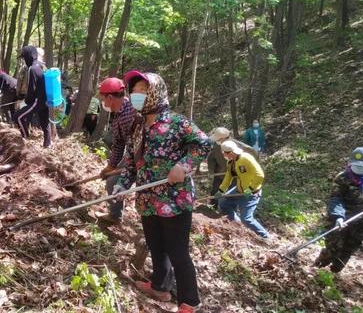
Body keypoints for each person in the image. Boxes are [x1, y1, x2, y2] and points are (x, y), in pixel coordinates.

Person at [116, 71, 210, 313]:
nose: (137, 95)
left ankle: (189, 302)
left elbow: (203, 143)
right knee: (156, 246)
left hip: (174, 200)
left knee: (178, 252)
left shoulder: (177, 123)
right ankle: (160, 286)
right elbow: (131, 160)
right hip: (147, 199)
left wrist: (184, 165)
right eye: (134, 91)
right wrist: (122, 185)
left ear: (156, 92)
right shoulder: (138, 127)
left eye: (143, 90)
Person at [315, 147, 363, 273]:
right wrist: (338, 216)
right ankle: (316, 269)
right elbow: (336, 198)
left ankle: (334, 273)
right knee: (333, 248)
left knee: (349, 248)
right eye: (356, 166)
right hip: (341, 219)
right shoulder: (342, 178)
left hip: (361, 223)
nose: (359, 169)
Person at [96, 77, 137, 225]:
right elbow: (119, 144)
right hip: (132, 154)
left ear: (110, 98)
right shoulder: (119, 113)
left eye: (103, 98)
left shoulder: (131, 112)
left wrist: (128, 166)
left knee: (116, 182)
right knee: (113, 181)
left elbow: (134, 146)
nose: (103, 102)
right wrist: (111, 166)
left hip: (143, 156)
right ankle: (115, 216)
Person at [218, 140, 270, 238]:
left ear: (230, 152)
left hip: (251, 193)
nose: (224, 155)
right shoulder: (231, 162)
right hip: (239, 189)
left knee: (247, 219)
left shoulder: (246, 158)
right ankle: (237, 224)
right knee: (223, 203)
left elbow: (260, 175)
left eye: (224, 153)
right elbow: (228, 177)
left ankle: (265, 236)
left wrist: (250, 189)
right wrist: (221, 190)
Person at [207, 127, 258, 209]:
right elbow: (211, 159)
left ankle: (230, 213)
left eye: (218, 139)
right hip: (219, 174)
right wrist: (211, 170)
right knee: (215, 192)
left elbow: (253, 155)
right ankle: (213, 208)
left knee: (230, 196)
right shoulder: (216, 147)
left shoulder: (240, 147)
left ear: (223, 138)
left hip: (235, 177)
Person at [13, 45, 51, 148]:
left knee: (18, 117)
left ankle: (25, 140)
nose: (24, 60)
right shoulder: (41, 66)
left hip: (37, 101)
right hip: (45, 100)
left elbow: (31, 88)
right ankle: (48, 144)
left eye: (24, 57)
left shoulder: (32, 69)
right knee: (45, 122)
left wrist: (27, 101)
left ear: (29, 56)